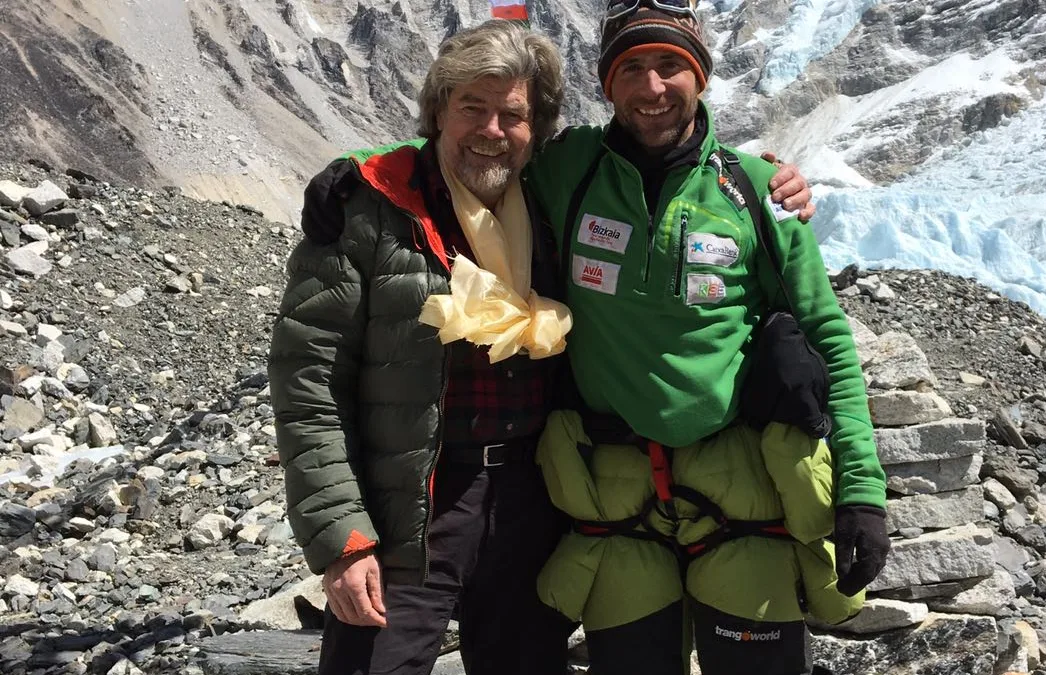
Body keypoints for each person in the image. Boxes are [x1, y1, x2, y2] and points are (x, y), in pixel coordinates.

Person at [270, 15, 815, 675]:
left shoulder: (549, 202)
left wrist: (776, 180)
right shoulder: (369, 209)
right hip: (410, 506)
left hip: (531, 501)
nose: (493, 130)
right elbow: (309, 383)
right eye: (473, 106)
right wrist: (342, 542)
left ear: (539, 129)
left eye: (514, 115)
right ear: (438, 109)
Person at [525, 2, 891, 674]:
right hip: (618, 498)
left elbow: (827, 340)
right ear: (607, 83)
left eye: (671, 65)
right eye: (631, 67)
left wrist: (862, 491)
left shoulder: (756, 192)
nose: (652, 87)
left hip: (743, 498)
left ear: (701, 75)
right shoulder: (566, 170)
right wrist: (369, 169)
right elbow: (469, 148)